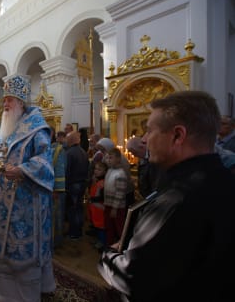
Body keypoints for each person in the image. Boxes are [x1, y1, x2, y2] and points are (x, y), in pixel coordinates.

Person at [98, 91, 235, 302]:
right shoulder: (225, 179)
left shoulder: (176, 200)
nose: (144, 139)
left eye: (149, 130)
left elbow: (133, 277)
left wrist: (107, 255)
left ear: (177, 136)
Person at [0, 75, 55, 302]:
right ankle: (4, 293)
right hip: (1, 203)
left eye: (9, 100)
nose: (5, 104)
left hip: (25, 207)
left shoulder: (37, 130)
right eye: (4, 100)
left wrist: (22, 170)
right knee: (3, 254)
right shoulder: (5, 130)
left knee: (20, 255)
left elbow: (46, 162)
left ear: (21, 102)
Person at [65, 130, 89, 239]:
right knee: (79, 207)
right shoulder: (83, 151)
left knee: (72, 209)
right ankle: (78, 230)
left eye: (67, 139)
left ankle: (74, 232)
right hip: (82, 183)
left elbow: (67, 171)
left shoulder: (69, 153)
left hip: (73, 184)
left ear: (70, 140)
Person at [103, 147, 128, 246]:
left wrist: (114, 207)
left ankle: (121, 247)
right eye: (108, 158)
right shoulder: (110, 171)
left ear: (118, 159)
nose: (108, 160)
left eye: (111, 158)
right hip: (108, 204)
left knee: (119, 227)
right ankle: (110, 245)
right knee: (109, 227)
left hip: (117, 207)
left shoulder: (120, 173)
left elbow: (120, 193)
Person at [50, 126, 67, 250]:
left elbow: (60, 171)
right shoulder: (43, 147)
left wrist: (56, 189)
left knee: (57, 215)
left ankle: (57, 241)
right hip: (43, 188)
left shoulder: (58, 149)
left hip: (54, 190)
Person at [86, 161, 108, 249]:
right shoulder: (96, 180)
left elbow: (103, 198)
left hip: (100, 209)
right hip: (95, 209)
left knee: (101, 228)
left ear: (105, 171)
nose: (96, 171)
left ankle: (103, 244)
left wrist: (91, 199)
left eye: (99, 169)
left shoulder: (103, 183)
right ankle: (99, 240)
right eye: (95, 169)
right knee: (97, 226)